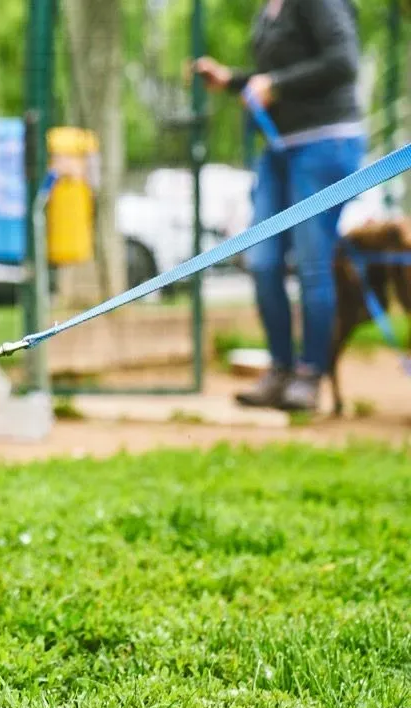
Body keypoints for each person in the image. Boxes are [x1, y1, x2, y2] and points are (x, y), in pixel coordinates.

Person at [194, 0, 363, 412]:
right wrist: (233, 80)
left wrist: (277, 86)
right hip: (280, 147)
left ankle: (310, 375)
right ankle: (281, 369)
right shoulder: (270, 8)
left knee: (311, 263)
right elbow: (272, 78)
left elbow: (344, 62)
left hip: (325, 142)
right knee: (263, 260)